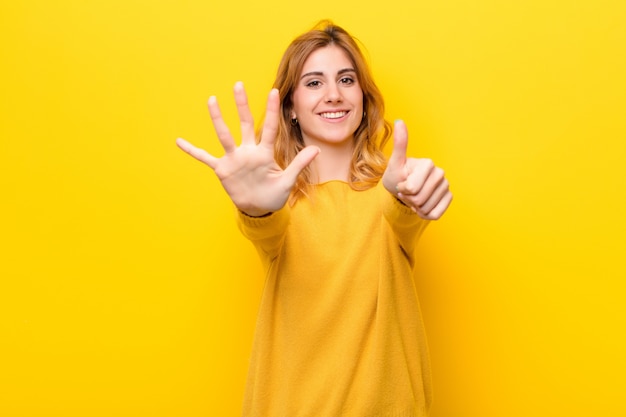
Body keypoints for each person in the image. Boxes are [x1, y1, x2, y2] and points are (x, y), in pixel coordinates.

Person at [176, 21, 452, 417]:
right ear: (290, 107)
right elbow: (265, 226)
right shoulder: (279, 207)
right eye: (313, 83)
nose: (334, 95)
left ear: (363, 97)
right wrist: (257, 208)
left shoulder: (391, 194)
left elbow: (402, 213)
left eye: (345, 79)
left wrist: (414, 193)